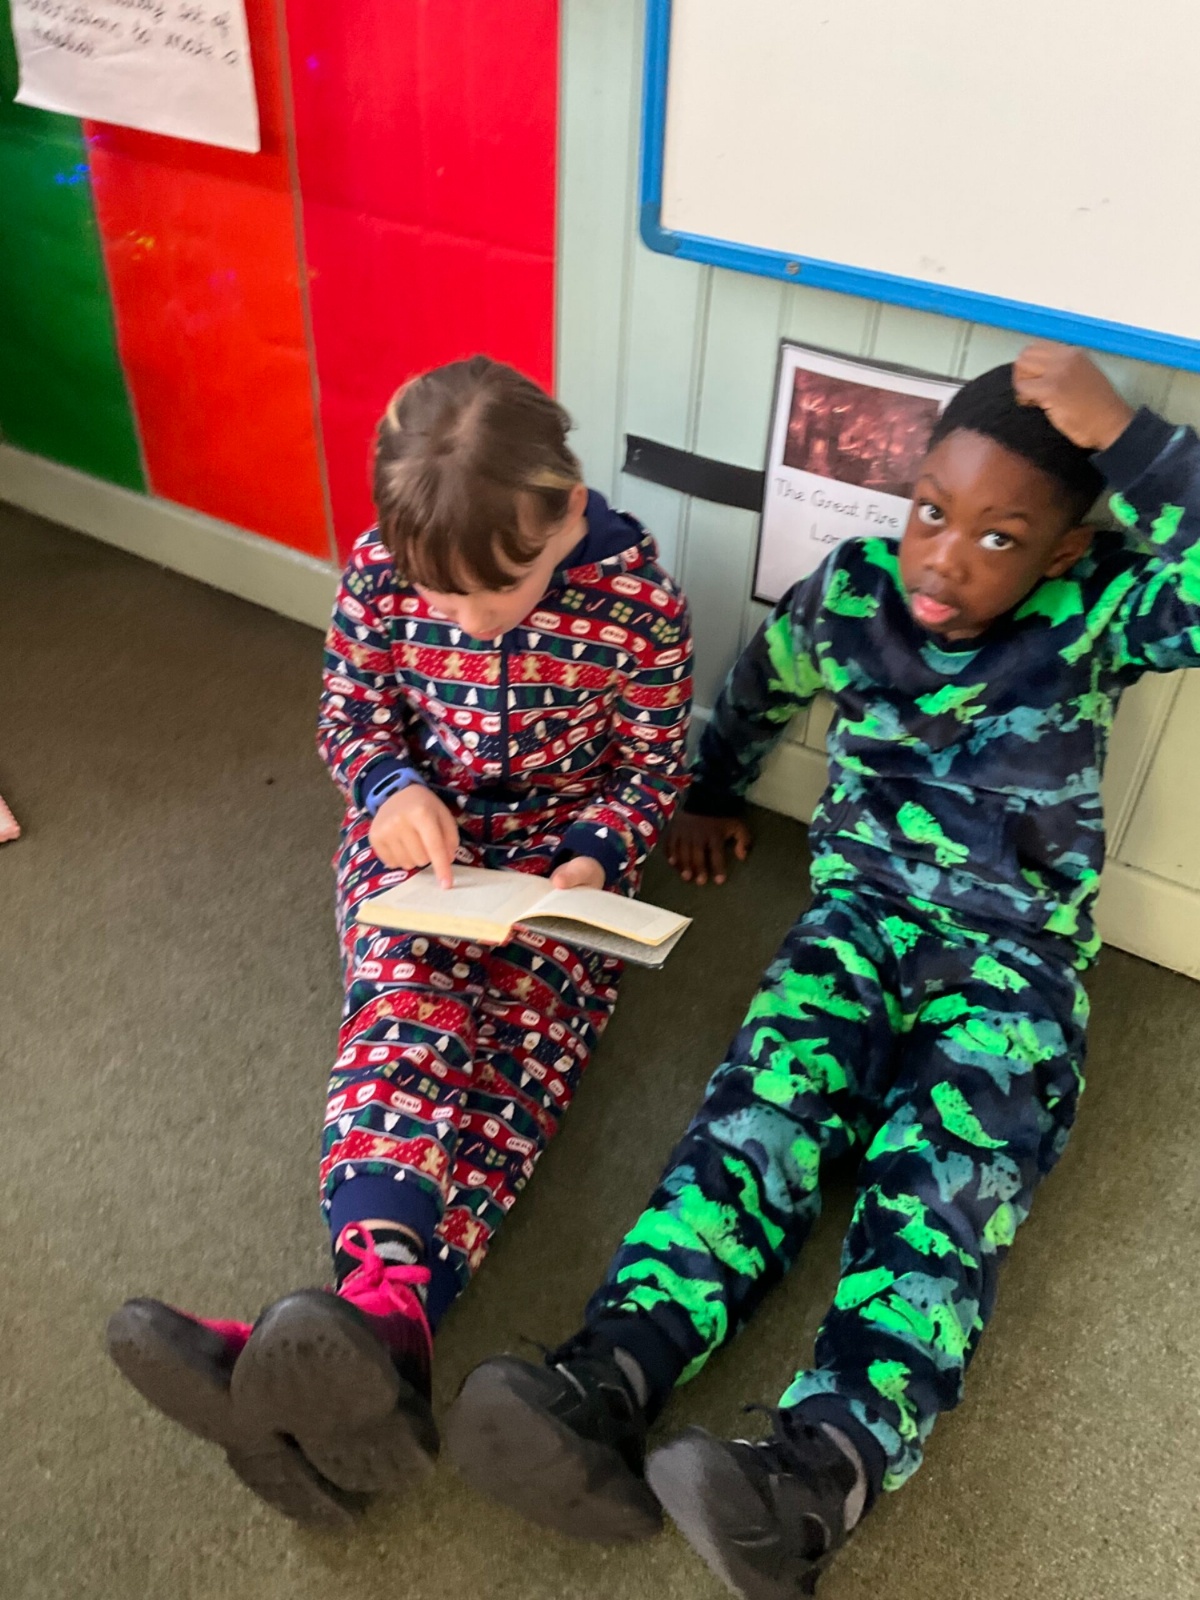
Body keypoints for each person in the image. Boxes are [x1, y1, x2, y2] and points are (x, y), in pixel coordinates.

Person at [444, 345, 1200, 1594]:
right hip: (855, 925)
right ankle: (609, 1374)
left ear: (1065, 549)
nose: (943, 560)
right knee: (755, 1122)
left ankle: (818, 1474)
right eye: (930, 512)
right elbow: (760, 681)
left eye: (999, 538)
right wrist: (709, 790)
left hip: (1013, 966)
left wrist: (1126, 436)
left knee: (939, 1194)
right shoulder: (855, 592)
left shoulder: (1102, 610)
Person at [105, 356, 692, 1526]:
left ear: (569, 508)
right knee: (405, 1013)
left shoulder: (642, 608)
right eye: (443, 598)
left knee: (516, 1067)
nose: (470, 620)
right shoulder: (380, 570)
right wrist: (387, 786)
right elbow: (351, 709)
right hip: (419, 855)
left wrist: (592, 855)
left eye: (499, 592)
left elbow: (651, 768)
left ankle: (363, 1332)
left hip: (558, 878)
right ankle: (382, 1330)